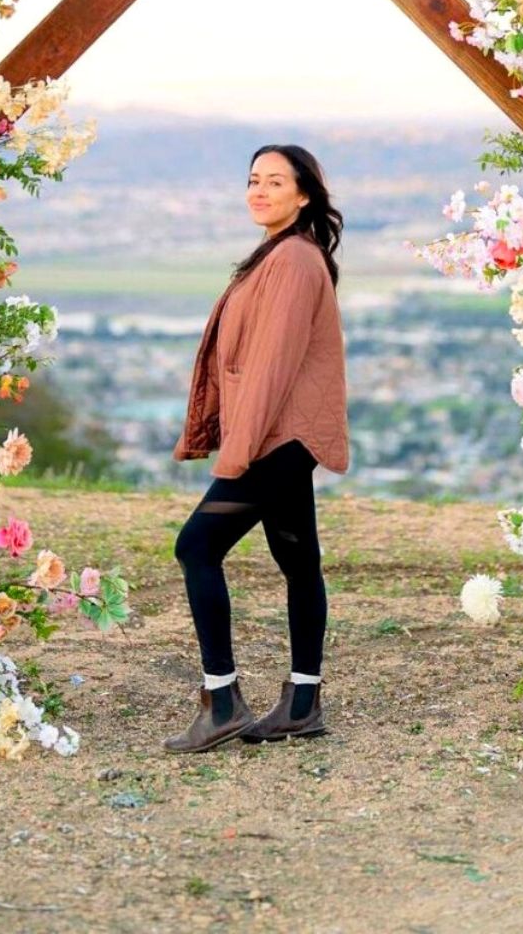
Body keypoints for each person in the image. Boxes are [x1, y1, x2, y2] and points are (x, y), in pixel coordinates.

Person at [164, 144, 349, 753]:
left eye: (275, 181)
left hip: (278, 439)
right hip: (287, 435)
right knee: (299, 561)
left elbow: (270, 366)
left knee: (196, 545)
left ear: (304, 195)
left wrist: (236, 453)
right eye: (252, 180)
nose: (259, 191)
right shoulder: (279, 255)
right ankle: (302, 703)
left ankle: (222, 702)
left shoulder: (294, 260)